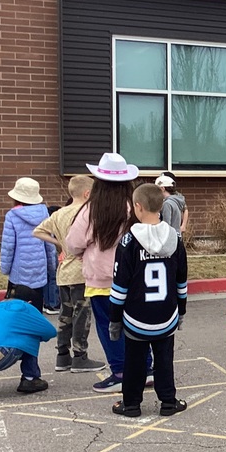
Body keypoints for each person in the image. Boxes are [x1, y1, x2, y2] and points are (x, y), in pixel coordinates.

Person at [65, 152, 151, 393]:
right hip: (134, 277)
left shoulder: (91, 210)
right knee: (138, 325)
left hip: (102, 279)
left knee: (109, 326)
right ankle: (146, 368)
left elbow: (73, 243)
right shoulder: (135, 207)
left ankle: (121, 372)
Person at [107, 184, 188, 417]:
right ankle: (168, 402)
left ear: (138, 207)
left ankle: (131, 404)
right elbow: (181, 281)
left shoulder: (128, 241)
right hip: (167, 314)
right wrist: (181, 311)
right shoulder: (175, 239)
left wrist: (115, 319)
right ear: (161, 206)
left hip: (136, 316)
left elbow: (120, 286)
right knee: (164, 360)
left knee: (134, 361)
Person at [33, 175, 104, 373]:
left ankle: (62, 355)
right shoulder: (88, 212)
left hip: (64, 272)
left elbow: (37, 231)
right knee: (82, 314)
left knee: (65, 314)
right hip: (81, 271)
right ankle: (80, 355)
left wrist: (59, 244)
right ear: (87, 193)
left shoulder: (59, 214)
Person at [0, 177, 57, 312]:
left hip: (19, 270)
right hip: (39, 268)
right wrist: (51, 265)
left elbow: (8, 246)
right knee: (37, 305)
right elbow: (49, 243)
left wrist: (5, 268)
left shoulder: (12, 216)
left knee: (17, 308)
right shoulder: (44, 213)